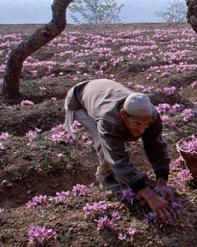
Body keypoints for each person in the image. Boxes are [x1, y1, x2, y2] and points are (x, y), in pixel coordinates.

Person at [64, 79, 176, 223]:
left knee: (142, 133)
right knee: (102, 142)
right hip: (79, 99)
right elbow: (116, 158)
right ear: (124, 114)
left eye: (146, 125)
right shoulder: (108, 119)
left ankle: (126, 179)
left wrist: (162, 182)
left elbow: (156, 147)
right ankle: (105, 177)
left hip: (104, 92)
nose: (142, 130)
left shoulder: (151, 116)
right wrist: (149, 196)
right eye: (136, 123)